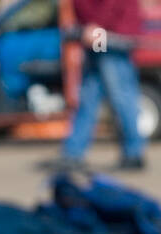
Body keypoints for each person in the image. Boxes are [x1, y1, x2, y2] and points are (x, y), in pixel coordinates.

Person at [58, 0, 147, 170]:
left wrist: (96, 26)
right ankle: (73, 153)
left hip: (110, 36)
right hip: (98, 36)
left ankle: (134, 153)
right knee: (88, 97)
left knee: (121, 97)